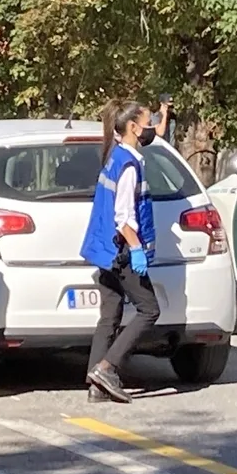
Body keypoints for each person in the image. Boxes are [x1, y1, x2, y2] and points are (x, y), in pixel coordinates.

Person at [80, 99, 161, 404]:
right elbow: (123, 217)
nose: (150, 127)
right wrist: (137, 249)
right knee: (149, 310)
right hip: (123, 251)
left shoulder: (115, 157)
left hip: (106, 251)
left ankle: (95, 387)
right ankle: (107, 368)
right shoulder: (128, 165)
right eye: (147, 122)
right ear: (132, 127)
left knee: (109, 316)